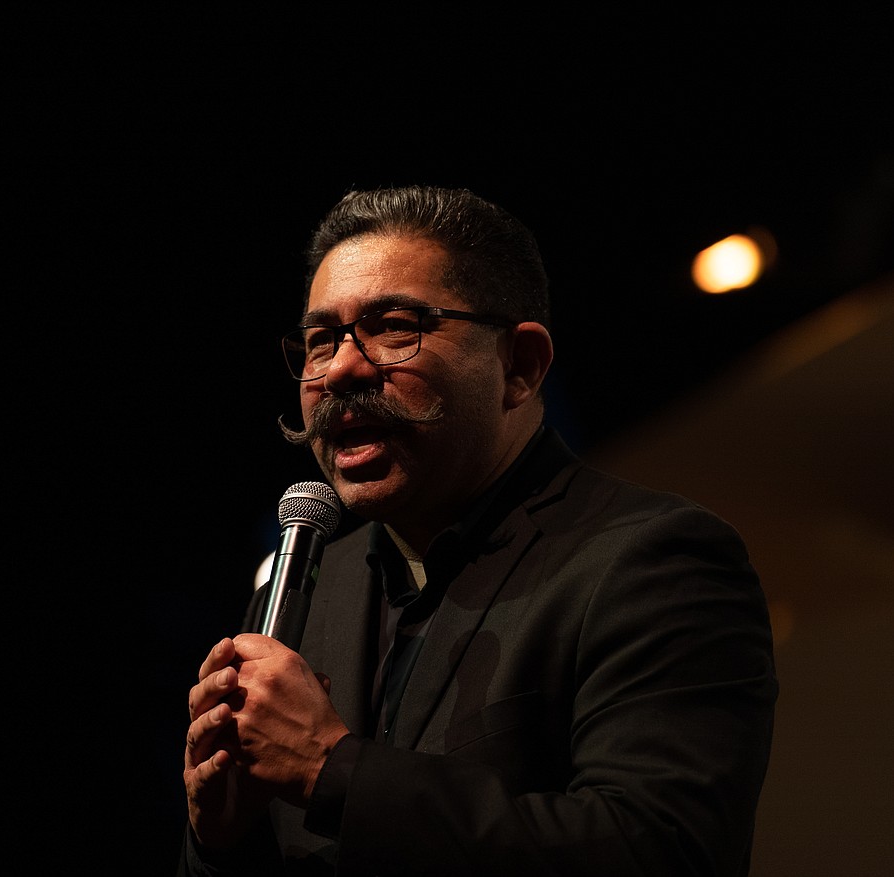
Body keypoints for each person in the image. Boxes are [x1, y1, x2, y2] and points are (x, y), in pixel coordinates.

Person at [180, 185, 777, 876]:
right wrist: (220, 840)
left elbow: (662, 848)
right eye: (320, 340)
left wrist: (331, 768)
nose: (341, 367)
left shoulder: (654, 560)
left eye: (394, 325)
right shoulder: (303, 592)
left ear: (518, 367)